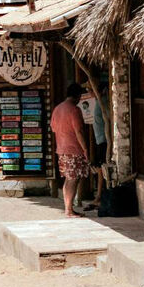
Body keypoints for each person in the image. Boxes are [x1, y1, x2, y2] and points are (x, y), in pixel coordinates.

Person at [51, 83, 89, 218]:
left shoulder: (57, 109)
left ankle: (68, 208)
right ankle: (69, 210)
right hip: (74, 149)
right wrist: (85, 149)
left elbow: (53, 128)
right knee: (73, 178)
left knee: (68, 178)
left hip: (61, 148)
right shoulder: (74, 110)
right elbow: (79, 131)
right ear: (78, 96)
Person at [86, 83, 109, 211]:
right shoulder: (97, 102)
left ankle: (100, 195)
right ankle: (100, 195)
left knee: (101, 168)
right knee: (99, 167)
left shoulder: (102, 102)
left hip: (104, 139)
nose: (88, 92)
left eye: (89, 89)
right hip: (100, 138)